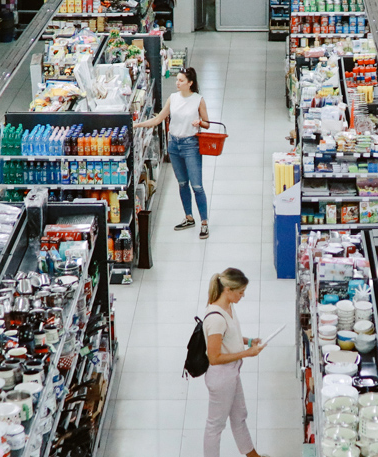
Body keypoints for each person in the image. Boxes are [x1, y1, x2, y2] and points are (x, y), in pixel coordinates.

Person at [133, 67, 213, 239]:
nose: (177, 83)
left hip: (191, 145)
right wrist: (137, 125)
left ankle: (204, 222)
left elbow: (207, 124)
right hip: (174, 145)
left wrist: (199, 121)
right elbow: (158, 119)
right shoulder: (173, 98)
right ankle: (189, 217)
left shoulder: (198, 100)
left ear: (190, 83)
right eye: (177, 80)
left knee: (197, 185)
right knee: (182, 183)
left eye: (181, 80)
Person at [202, 268, 267, 457]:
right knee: (215, 425)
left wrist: (248, 341)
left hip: (231, 373)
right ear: (228, 290)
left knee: (239, 416)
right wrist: (247, 353)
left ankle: (253, 455)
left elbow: (229, 338)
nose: (243, 296)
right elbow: (214, 358)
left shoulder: (228, 307)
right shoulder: (216, 318)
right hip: (221, 377)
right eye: (240, 292)